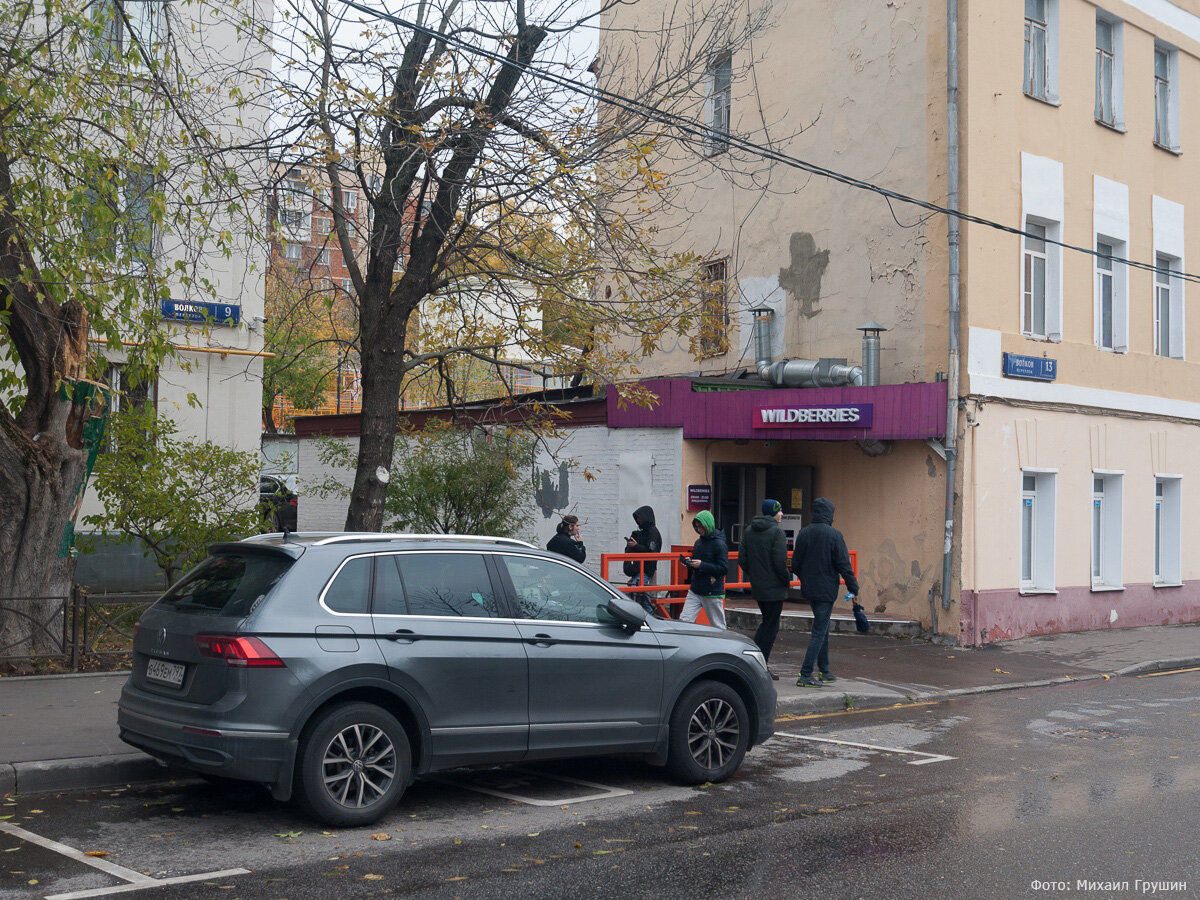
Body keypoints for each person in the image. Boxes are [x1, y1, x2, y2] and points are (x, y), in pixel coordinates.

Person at [790, 497, 859, 687]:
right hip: (826, 590)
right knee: (819, 631)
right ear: (830, 514)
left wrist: (807, 577)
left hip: (809, 589)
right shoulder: (834, 535)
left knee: (823, 627)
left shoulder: (803, 533)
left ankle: (825, 670)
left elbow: (794, 564)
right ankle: (805, 674)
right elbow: (844, 565)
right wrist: (853, 587)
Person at [739, 499, 791, 679]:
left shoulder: (749, 530)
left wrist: (755, 574)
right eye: (780, 511)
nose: (782, 514)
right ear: (773, 512)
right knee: (770, 627)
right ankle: (759, 665)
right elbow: (780, 562)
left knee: (767, 623)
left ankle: (755, 663)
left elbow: (742, 559)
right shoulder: (777, 533)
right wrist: (786, 580)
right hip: (775, 588)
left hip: (759, 586)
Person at [680, 509, 728, 629]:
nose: (699, 530)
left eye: (701, 527)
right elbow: (698, 564)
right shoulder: (698, 543)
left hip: (712, 591)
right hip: (696, 588)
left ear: (708, 525)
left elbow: (723, 568)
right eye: (697, 527)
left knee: (718, 626)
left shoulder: (719, 544)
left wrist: (701, 565)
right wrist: (689, 563)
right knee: (684, 620)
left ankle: (725, 645)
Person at [624, 506, 662, 613]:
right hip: (641, 569)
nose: (638, 520)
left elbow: (651, 552)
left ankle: (651, 614)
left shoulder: (652, 532)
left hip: (646, 569)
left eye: (639, 518)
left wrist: (636, 546)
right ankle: (651, 614)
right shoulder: (646, 531)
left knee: (636, 593)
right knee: (640, 594)